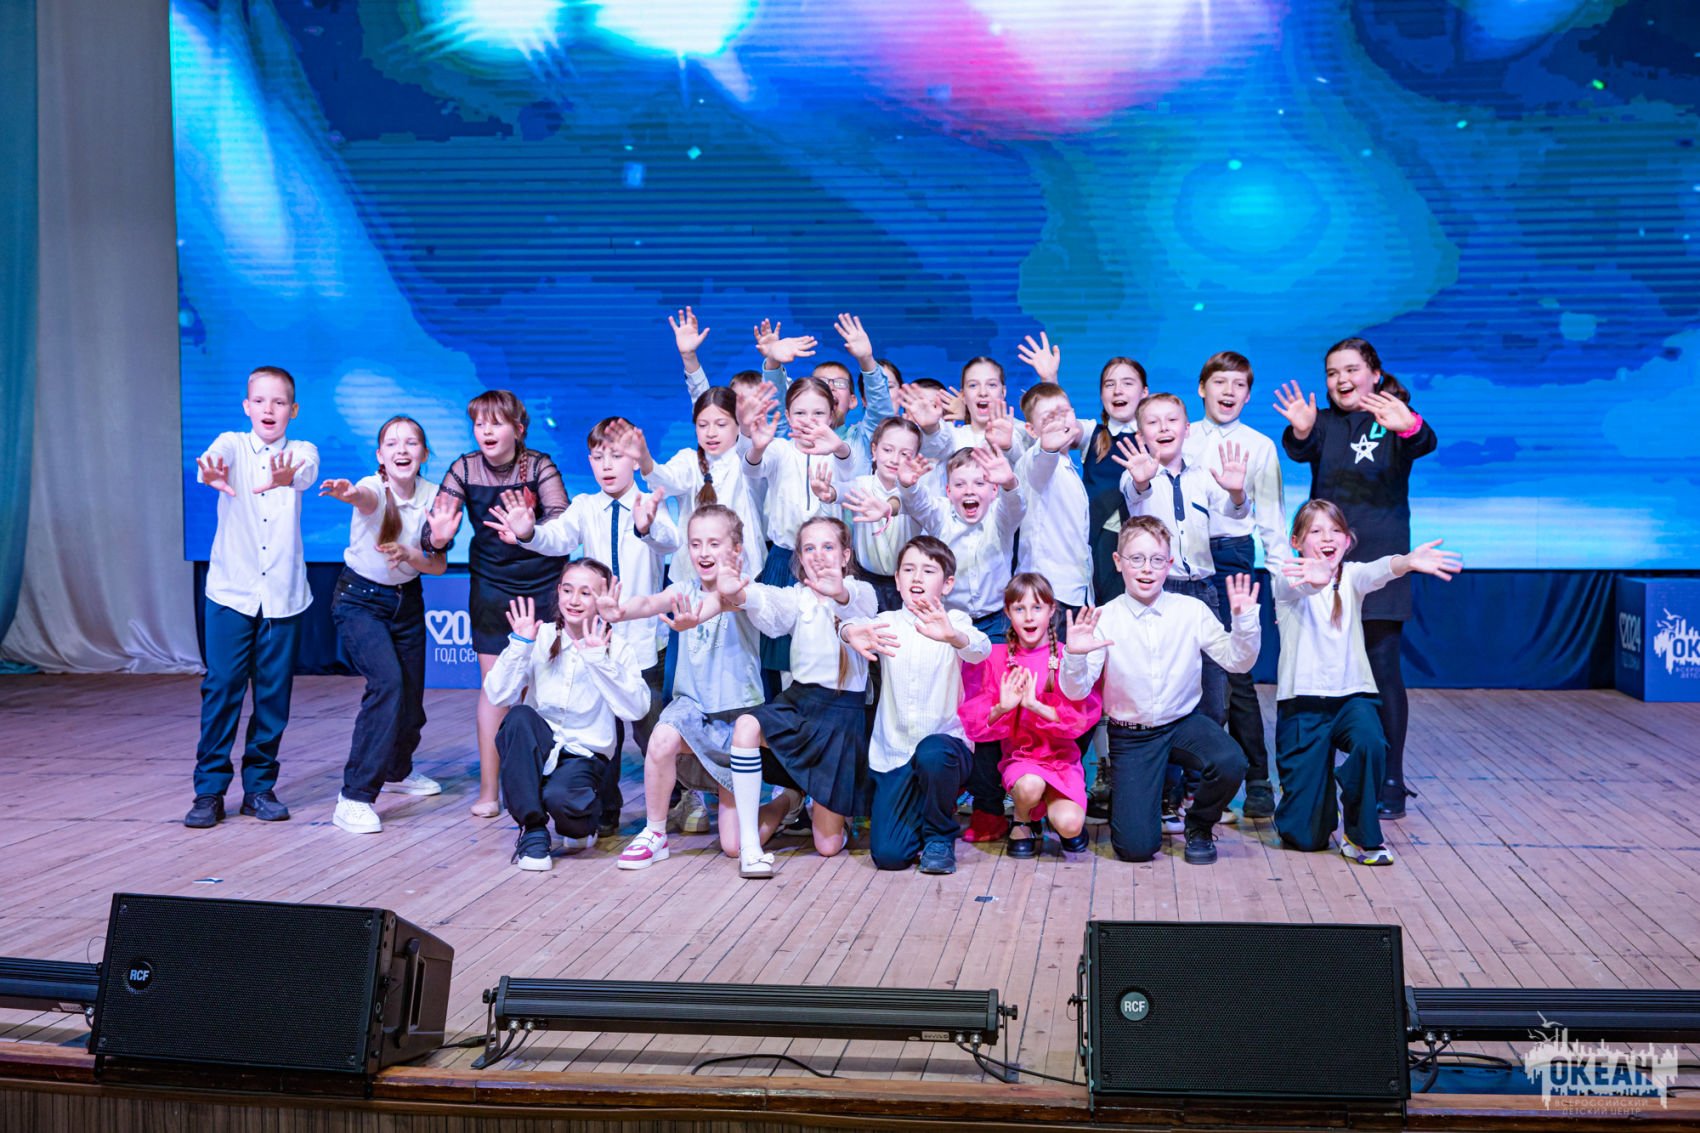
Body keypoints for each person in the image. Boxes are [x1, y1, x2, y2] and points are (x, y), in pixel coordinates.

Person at [484, 415, 680, 836]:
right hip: (593, 639)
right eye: (597, 456)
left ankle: (676, 799)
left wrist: (645, 526)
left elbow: (670, 541)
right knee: (602, 728)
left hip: (641, 639)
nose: (606, 465)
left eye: (616, 455)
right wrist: (528, 533)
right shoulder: (587, 506)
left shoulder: (649, 502)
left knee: (649, 728)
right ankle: (604, 809)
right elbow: (556, 537)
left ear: (635, 459)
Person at [1274, 337, 1438, 818]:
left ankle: (1391, 779)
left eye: (1351, 369)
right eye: (1332, 372)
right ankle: (1319, 774)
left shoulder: (1394, 417)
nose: (1341, 379)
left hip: (1383, 562)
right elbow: (1299, 447)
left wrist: (1409, 426)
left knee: (1383, 669)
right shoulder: (1324, 423)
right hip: (1327, 566)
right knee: (1322, 665)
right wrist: (1302, 430)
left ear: (1375, 374)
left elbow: (1424, 441)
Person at [1059, 517, 1260, 865]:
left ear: (1169, 564)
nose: (1146, 568)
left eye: (1156, 559)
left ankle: (1199, 825)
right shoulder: (1104, 618)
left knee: (1231, 761)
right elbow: (1076, 692)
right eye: (1136, 558)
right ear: (1118, 562)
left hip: (1182, 723)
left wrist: (1244, 622)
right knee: (1135, 848)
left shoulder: (1191, 611)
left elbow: (1237, 661)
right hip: (1132, 735)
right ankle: (1135, 801)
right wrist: (1074, 656)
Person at [1269, 501, 1462, 864]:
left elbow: (1380, 569)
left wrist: (1408, 561)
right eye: (1316, 531)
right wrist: (1317, 578)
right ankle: (1312, 805)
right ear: (1296, 541)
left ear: (1347, 540)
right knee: (1305, 838)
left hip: (1352, 698)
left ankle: (1361, 837)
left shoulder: (1352, 576)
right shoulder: (1286, 575)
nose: (1327, 538)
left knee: (1371, 742)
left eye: (1335, 531)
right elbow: (1299, 588)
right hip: (1302, 705)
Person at [600, 505, 791, 870]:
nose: (703, 552)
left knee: (733, 846)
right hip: (693, 709)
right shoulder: (683, 590)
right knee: (661, 737)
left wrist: (701, 614)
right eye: (695, 543)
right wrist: (620, 611)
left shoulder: (746, 590)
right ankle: (655, 832)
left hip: (738, 718)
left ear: (736, 549)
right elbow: (649, 602)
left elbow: (723, 601)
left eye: (714, 543)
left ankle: (787, 801)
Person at [423, 390, 569, 818]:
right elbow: (434, 531)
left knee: (539, 686)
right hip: (492, 586)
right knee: (495, 688)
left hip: (544, 583)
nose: (485, 431)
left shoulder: (539, 466)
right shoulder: (464, 468)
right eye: (479, 423)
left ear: (518, 430)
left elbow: (562, 523)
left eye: (496, 422)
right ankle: (489, 791)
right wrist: (437, 538)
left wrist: (528, 528)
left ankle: (539, 786)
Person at [185, 365, 320, 829]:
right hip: (231, 590)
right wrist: (210, 470)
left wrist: (287, 477)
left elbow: (306, 473)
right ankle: (209, 791)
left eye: (279, 402)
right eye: (260, 400)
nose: (269, 409)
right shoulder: (232, 443)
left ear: (293, 410)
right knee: (222, 687)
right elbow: (213, 457)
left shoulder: (302, 450)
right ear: (246, 406)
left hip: (282, 594)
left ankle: (259, 788)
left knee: (272, 696)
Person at [720, 516, 878, 878]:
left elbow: (855, 604)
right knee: (746, 726)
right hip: (800, 704)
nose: (818, 555)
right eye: (809, 548)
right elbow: (766, 601)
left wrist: (839, 592)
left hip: (840, 719)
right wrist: (737, 592)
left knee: (828, 846)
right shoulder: (797, 598)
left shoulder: (861, 591)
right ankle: (775, 817)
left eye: (828, 547)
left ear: (845, 555)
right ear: (800, 559)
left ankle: (825, 807)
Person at [318, 415, 452, 834]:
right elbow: (364, 498)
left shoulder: (434, 496)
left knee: (410, 698)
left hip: (407, 601)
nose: (402, 450)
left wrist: (421, 549)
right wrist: (348, 494)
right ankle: (354, 797)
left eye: (411, 443)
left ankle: (397, 770)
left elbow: (438, 566)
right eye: (392, 444)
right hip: (359, 601)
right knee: (387, 685)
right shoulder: (372, 486)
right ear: (380, 455)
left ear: (424, 453)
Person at [894, 443, 1026, 843]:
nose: (971, 490)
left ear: (992, 490)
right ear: (948, 490)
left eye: (980, 483)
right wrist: (908, 485)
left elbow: (1015, 504)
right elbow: (918, 501)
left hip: (994, 627)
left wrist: (1009, 482)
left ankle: (989, 808)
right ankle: (943, 793)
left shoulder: (999, 519)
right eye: (961, 484)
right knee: (948, 711)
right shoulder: (940, 516)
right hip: (946, 623)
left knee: (989, 719)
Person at [484, 561, 651, 870]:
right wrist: (520, 644)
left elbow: (636, 709)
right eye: (568, 590)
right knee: (519, 717)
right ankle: (533, 831)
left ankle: (583, 819)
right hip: (541, 746)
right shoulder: (540, 636)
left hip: (584, 755)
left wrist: (598, 659)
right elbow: (498, 695)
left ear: (602, 598)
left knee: (562, 801)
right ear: (558, 592)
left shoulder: (616, 647)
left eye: (586, 593)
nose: (574, 600)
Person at [840, 537, 992, 875]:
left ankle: (939, 835)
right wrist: (848, 632)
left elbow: (980, 648)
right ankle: (921, 816)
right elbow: (850, 624)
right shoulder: (888, 622)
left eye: (928, 570)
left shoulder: (955, 621)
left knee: (932, 752)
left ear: (947, 583)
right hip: (894, 753)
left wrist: (953, 636)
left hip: (945, 749)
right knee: (890, 856)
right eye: (908, 570)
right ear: (897, 580)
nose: (917, 577)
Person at [1183, 351, 1288, 819]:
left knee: (1237, 670)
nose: (1228, 392)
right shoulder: (1181, 435)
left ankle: (1258, 779)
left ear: (1248, 394)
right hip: (1184, 554)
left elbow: (1273, 520)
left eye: (1239, 384)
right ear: (1201, 387)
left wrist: (1283, 586)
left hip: (1232, 555)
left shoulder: (1259, 445)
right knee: (1189, 669)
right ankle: (1193, 780)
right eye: (1219, 382)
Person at [959, 574, 1101, 858]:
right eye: (1019, 608)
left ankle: (1055, 815)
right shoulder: (995, 657)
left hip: (1062, 761)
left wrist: (1035, 706)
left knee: (1070, 825)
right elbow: (975, 724)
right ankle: (1022, 819)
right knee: (1030, 785)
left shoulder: (1067, 656)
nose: (1028, 616)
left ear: (1051, 610)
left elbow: (1080, 720)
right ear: (1008, 613)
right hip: (1021, 760)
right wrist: (1002, 707)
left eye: (1037, 607)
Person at [743, 378, 858, 685]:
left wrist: (838, 447)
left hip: (826, 562)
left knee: (826, 645)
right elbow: (751, 470)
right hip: (784, 559)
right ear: (788, 415)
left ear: (832, 415)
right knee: (783, 654)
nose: (809, 421)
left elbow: (850, 468)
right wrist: (757, 447)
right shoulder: (779, 449)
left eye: (818, 413)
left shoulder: (838, 451)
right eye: (800, 413)